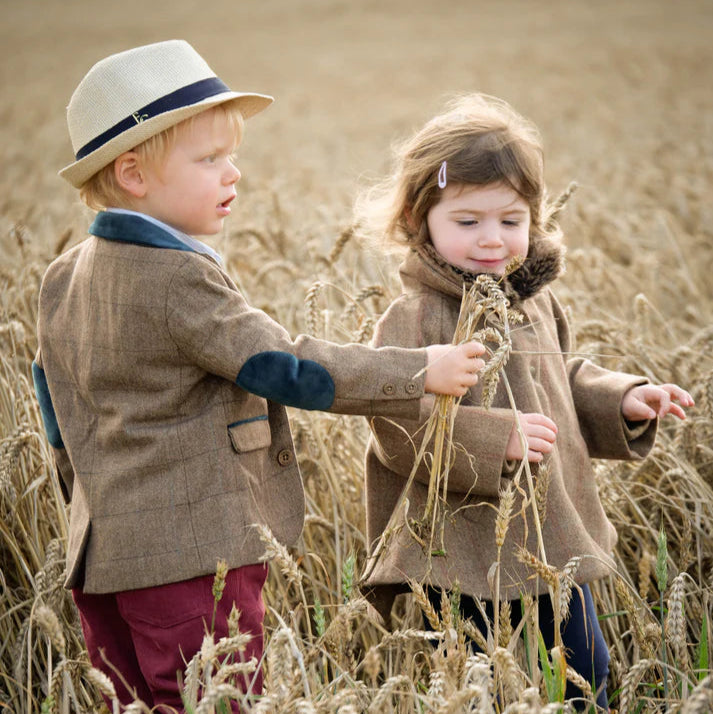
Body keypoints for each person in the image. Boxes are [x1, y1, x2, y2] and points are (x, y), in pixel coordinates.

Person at [31, 41, 486, 713]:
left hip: (100, 557)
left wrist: (96, 508)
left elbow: (55, 413)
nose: (233, 174)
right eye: (210, 159)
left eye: (231, 156)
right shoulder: (178, 275)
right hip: (195, 563)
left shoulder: (63, 273)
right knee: (219, 701)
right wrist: (417, 370)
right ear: (133, 173)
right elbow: (281, 366)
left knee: (133, 704)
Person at [357, 93, 694, 711]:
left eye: (511, 220)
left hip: (550, 539)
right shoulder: (417, 316)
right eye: (468, 222)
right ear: (417, 217)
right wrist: (493, 440)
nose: (492, 240)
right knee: (477, 687)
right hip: (459, 552)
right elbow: (396, 427)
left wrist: (623, 399)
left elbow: (560, 379)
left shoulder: (535, 302)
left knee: (587, 677)